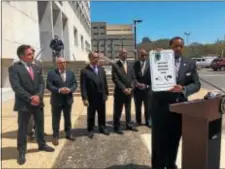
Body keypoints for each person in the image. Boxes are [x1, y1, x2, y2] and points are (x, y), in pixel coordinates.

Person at [151, 37, 201, 169]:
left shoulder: (190, 63)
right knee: (159, 140)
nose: (178, 48)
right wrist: (155, 57)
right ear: (170, 47)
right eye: (175, 46)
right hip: (160, 107)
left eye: (180, 46)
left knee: (174, 138)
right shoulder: (158, 59)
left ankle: (171, 163)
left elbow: (196, 84)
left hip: (180, 108)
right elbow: (146, 78)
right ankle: (158, 165)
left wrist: (184, 89)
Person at [8, 45, 54, 165]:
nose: (32, 55)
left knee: (40, 125)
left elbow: (41, 83)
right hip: (24, 104)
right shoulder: (14, 68)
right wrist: (30, 98)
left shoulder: (36, 66)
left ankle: (42, 144)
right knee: (23, 129)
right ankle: (22, 151)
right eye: (29, 54)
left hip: (38, 102)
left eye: (32, 53)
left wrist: (38, 96)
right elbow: (16, 87)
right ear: (21, 56)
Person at [46, 57, 77, 146]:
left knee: (68, 118)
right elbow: (49, 85)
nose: (63, 64)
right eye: (60, 63)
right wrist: (59, 90)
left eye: (64, 62)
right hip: (56, 100)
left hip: (68, 100)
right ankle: (55, 136)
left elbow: (75, 83)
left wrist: (70, 89)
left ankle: (68, 133)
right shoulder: (51, 73)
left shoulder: (70, 73)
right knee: (56, 119)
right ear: (57, 64)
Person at [80, 52, 109, 138]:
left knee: (102, 113)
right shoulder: (85, 71)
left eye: (97, 58)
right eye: (94, 57)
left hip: (101, 97)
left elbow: (105, 82)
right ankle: (90, 129)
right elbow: (83, 86)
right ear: (90, 58)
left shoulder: (101, 69)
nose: (96, 59)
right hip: (91, 98)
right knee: (91, 114)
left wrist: (106, 93)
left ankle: (102, 127)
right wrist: (84, 98)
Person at [112, 48, 138, 135]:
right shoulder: (115, 65)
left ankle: (128, 124)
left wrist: (131, 88)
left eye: (126, 53)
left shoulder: (130, 65)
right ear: (119, 54)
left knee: (128, 109)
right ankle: (116, 127)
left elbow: (134, 78)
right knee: (118, 110)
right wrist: (124, 89)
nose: (124, 55)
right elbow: (115, 79)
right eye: (122, 53)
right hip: (120, 92)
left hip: (129, 92)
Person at [133, 49, 152, 128]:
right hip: (137, 90)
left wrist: (147, 86)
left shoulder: (150, 65)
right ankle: (138, 121)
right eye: (142, 55)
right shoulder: (134, 64)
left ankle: (148, 121)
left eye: (145, 55)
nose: (144, 56)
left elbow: (153, 78)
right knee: (138, 107)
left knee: (148, 107)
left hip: (147, 90)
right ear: (139, 55)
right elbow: (132, 76)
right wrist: (137, 84)